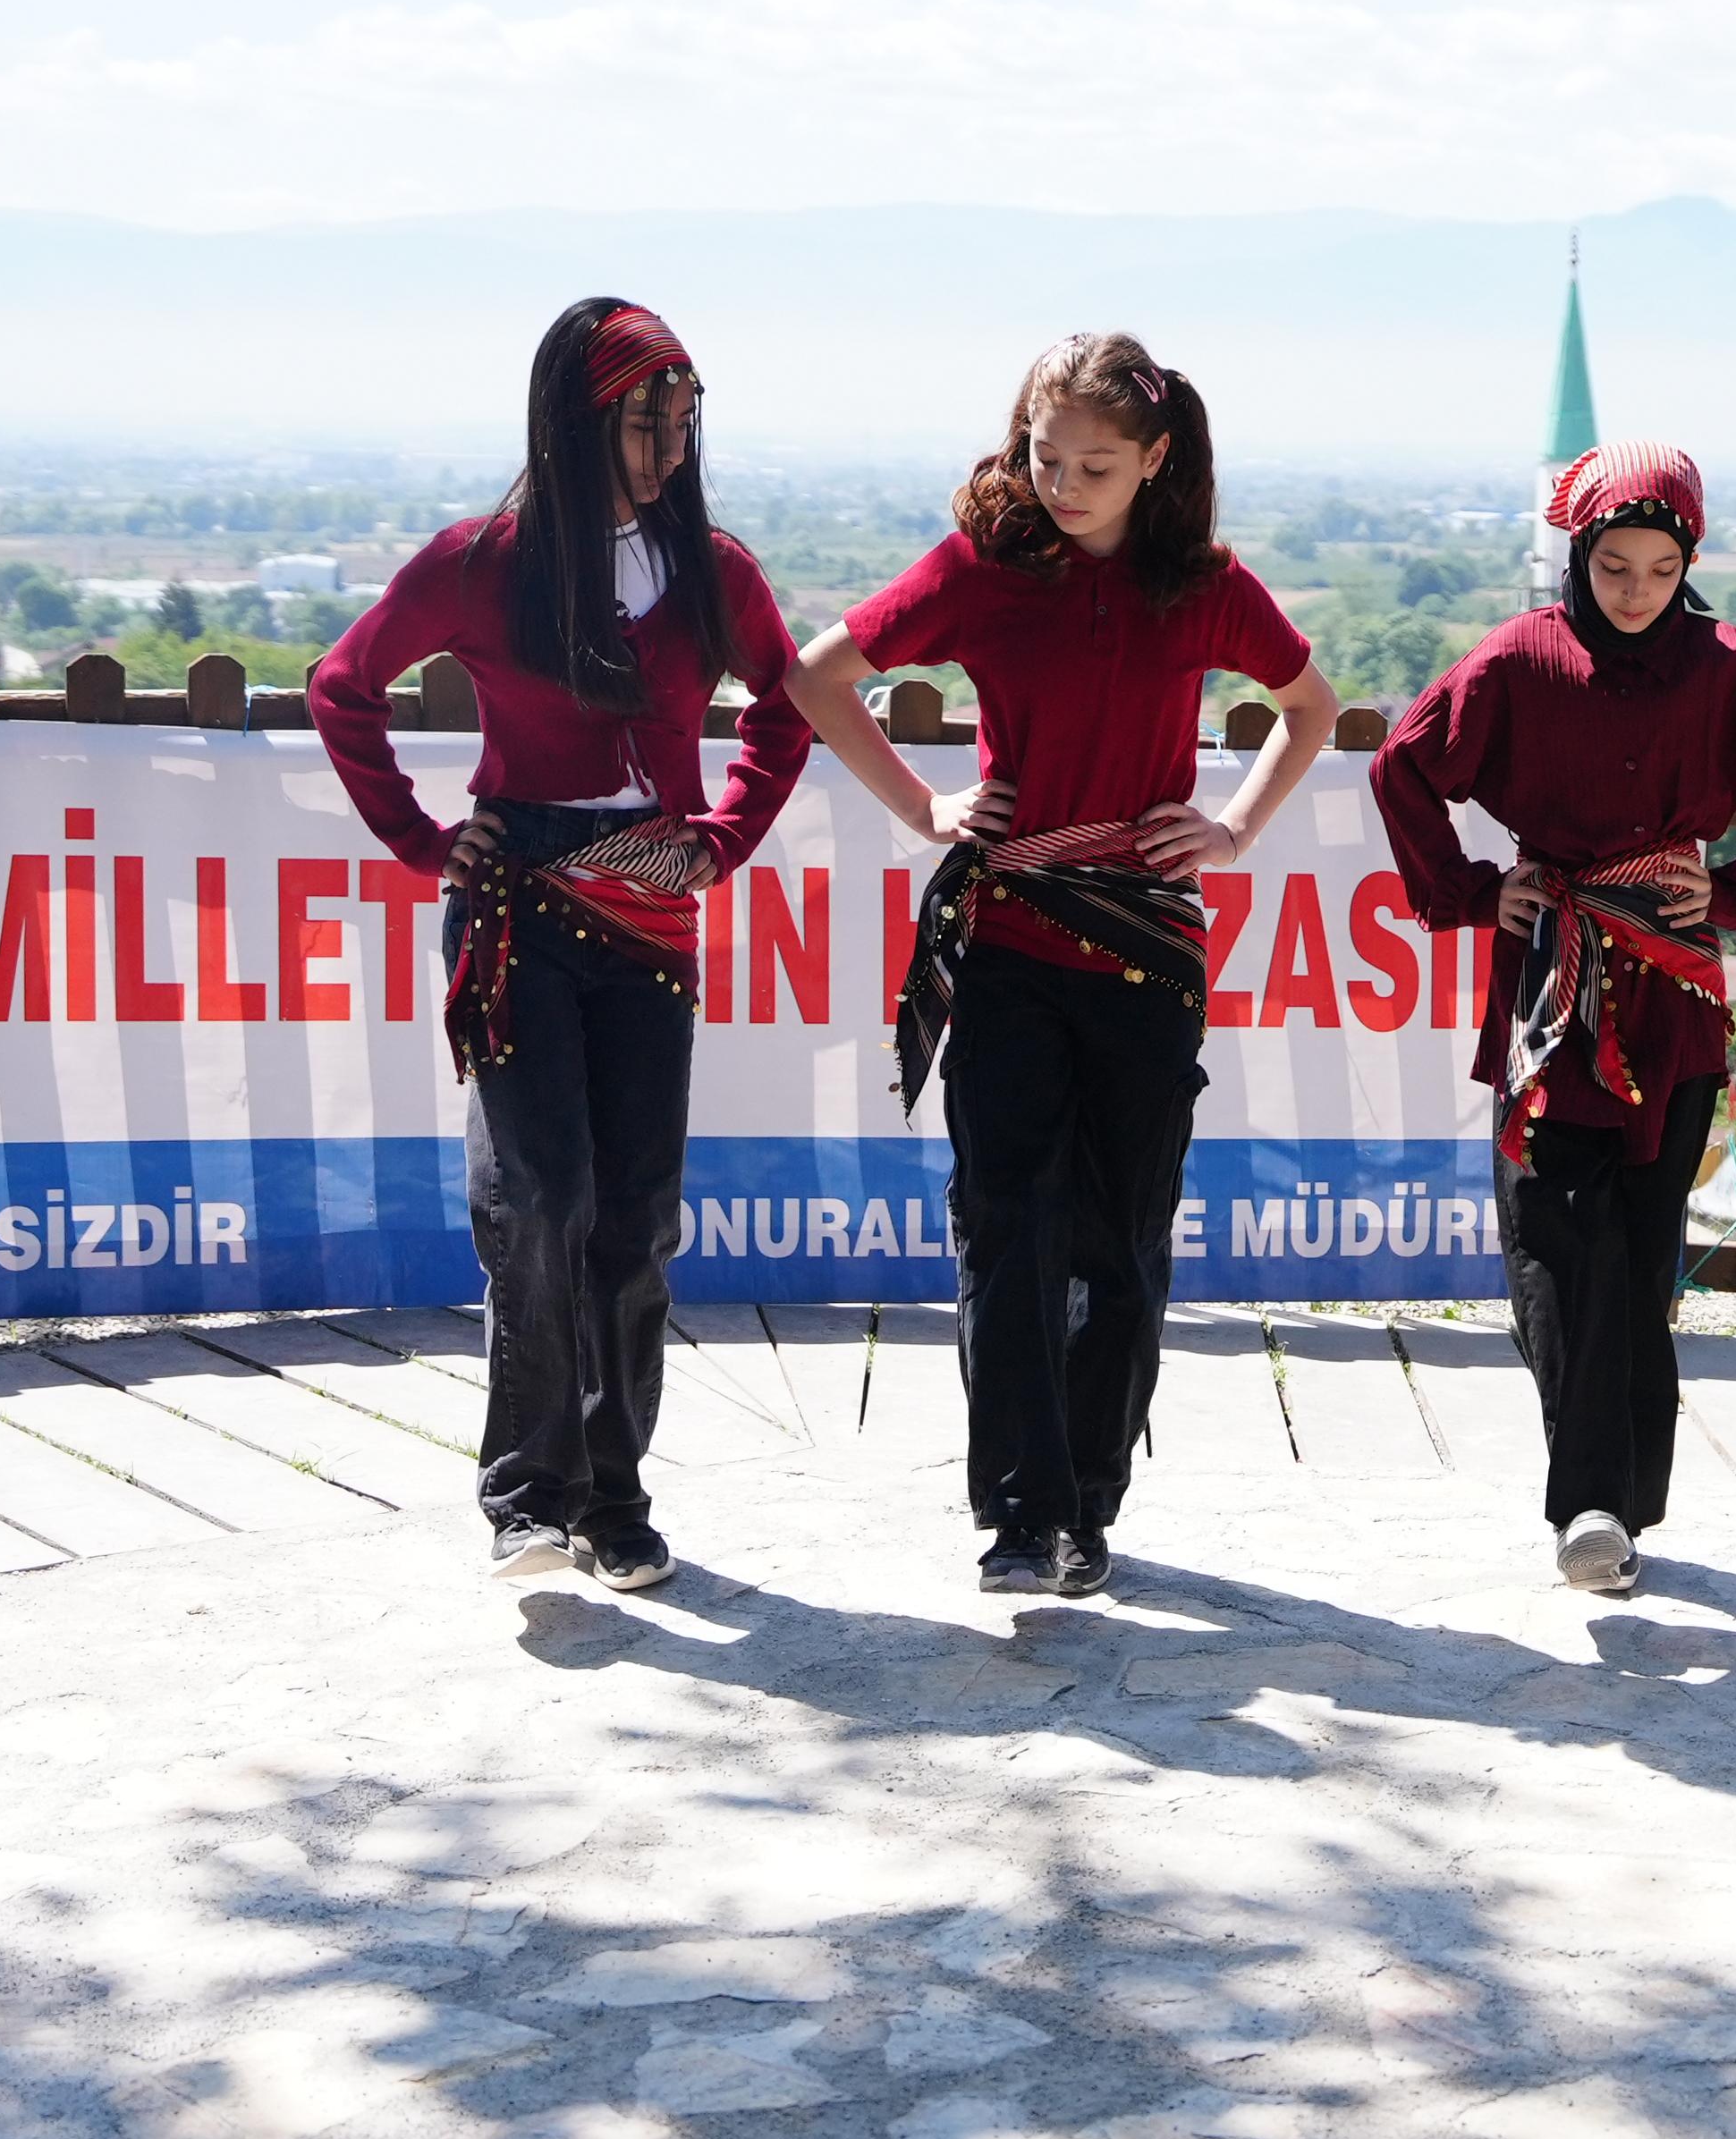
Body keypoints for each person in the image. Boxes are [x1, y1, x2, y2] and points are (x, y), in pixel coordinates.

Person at [784, 333, 1337, 1598]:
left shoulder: (1204, 585)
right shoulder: (982, 568)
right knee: (1006, 1224)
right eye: (1046, 458)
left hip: (1147, 952)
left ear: (1155, 460)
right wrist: (924, 807)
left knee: (1122, 1238)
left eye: (1097, 464)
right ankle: (1023, 1517)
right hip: (1010, 937)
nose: (1066, 485)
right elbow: (818, 679)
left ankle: (1091, 1503)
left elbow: (1310, 707)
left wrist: (1234, 828)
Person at [310, 298, 810, 1593]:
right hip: (518, 900)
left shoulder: (716, 571)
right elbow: (342, 686)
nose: (670, 448)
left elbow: (787, 708)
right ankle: (530, 1498)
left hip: (653, 902)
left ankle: (614, 1494)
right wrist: (424, 841)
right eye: (645, 423)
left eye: (684, 423)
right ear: (575, 425)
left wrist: (723, 838)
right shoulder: (480, 563)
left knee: (634, 1215)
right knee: (537, 1193)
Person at [1373, 442, 1736, 1595]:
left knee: (1639, 1246)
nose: (1637, 591)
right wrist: (1473, 892)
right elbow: (1403, 767)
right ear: (1578, 554)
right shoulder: (1517, 659)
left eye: (1661, 569)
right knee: (1549, 1227)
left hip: (1672, 987)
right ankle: (1590, 1500)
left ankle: (1624, 1502)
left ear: (1689, 563)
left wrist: (1734, 892)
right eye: (1614, 566)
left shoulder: (1731, 670)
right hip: (1551, 973)